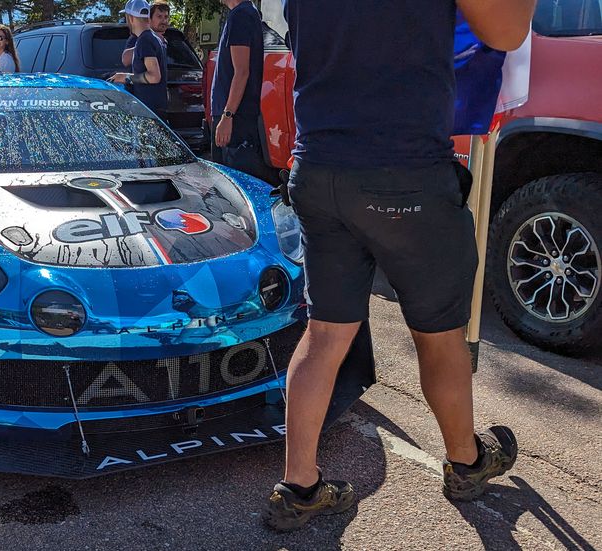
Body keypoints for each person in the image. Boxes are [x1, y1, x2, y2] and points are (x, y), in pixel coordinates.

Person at [263, 0, 536, 532]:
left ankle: (298, 488)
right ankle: (466, 462)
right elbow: (507, 31)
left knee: (325, 335)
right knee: (439, 335)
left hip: (319, 169)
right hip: (404, 169)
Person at [209, 0, 268, 181]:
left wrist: (227, 116)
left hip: (236, 120)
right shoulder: (244, 13)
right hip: (237, 117)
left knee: (233, 186)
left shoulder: (241, 15)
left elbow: (242, 72)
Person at [111, 0, 167, 116]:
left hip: (149, 112)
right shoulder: (153, 38)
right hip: (153, 110)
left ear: (131, 18)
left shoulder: (144, 40)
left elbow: (154, 76)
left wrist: (126, 77)